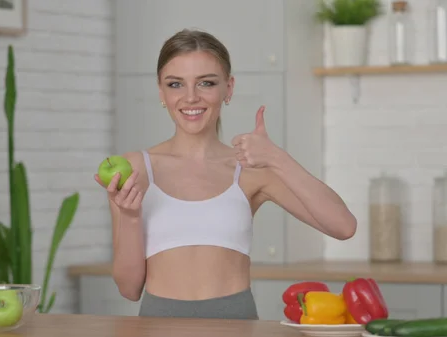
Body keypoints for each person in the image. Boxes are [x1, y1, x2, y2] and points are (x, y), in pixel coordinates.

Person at [94, 29, 357, 320]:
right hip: (159, 324)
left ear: (228, 88)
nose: (191, 97)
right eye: (176, 84)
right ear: (161, 92)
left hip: (237, 323)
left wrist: (277, 158)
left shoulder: (251, 169)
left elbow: (343, 226)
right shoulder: (136, 169)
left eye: (206, 83)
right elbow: (129, 289)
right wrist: (130, 217)